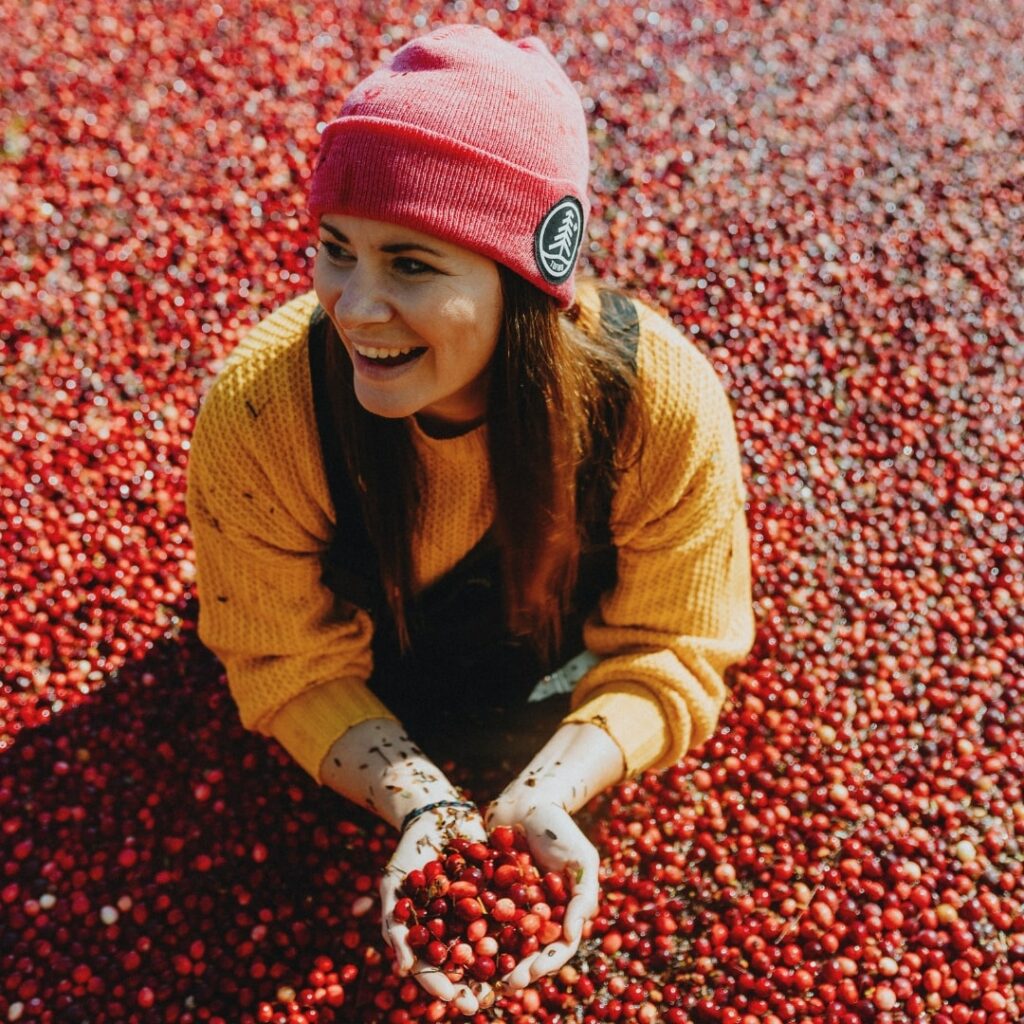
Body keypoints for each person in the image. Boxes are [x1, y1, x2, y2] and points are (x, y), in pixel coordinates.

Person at [186, 24, 754, 1015]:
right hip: (371, 689)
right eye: (335, 251)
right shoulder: (262, 409)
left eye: (410, 265)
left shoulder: (656, 406)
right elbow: (279, 652)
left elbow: (675, 645)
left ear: (527, 276)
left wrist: (548, 790)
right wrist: (421, 797)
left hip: (548, 682)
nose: (356, 308)